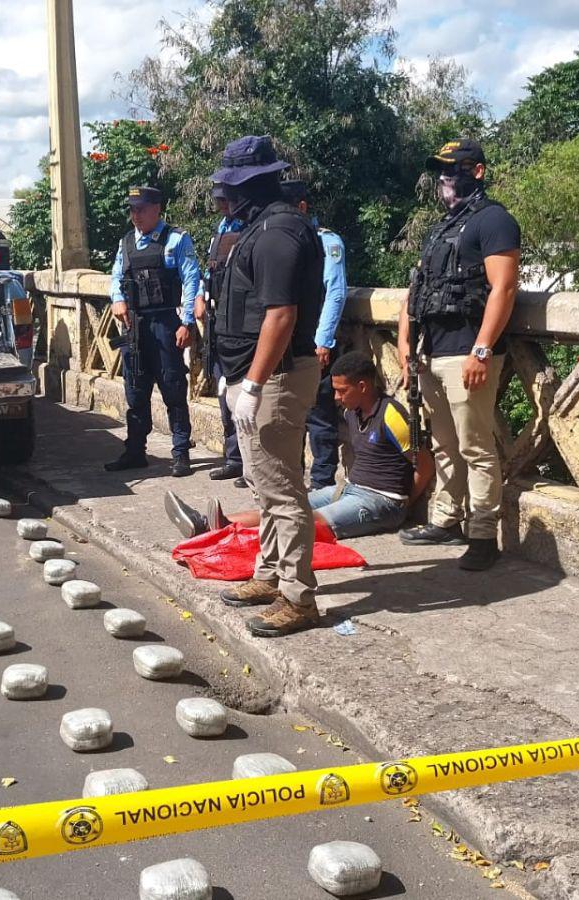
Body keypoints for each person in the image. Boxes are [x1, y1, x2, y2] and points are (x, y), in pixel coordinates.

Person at [212, 135, 324, 638]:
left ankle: (298, 597)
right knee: (263, 483)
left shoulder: (279, 231)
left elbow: (281, 315)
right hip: (257, 373)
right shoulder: (260, 226)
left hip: (277, 376)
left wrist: (253, 383)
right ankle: (270, 574)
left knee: (281, 489)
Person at [396, 138, 521, 572]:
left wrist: (481, 350)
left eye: (455, 169)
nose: (446, 178)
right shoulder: (443, 227)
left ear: (478, 172)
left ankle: (483, 534)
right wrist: (405, 340)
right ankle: (446, 518)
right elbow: (419, 287)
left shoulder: (495, 221)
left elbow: (503, 288)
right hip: (433, 353)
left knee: (476, 447)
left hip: (469, 352)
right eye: (442, 170)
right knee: (444, 444)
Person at [166, 351, 434, 542]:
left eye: (342, 391)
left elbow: (424, 462)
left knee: (304, 521)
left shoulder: (391, 414)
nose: (337, 398)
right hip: (350, 489)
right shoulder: (352, 412)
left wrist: (404, 504)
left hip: (380, 501)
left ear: (363, 386)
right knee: (285, 505)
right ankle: (208, 524)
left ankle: (224, 532)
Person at [105, 185, 202, 478]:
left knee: (173, 387)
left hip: (164, 324)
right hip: (135, 326)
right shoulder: (126, 243)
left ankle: (181, 452)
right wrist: (118, 300)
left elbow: (191, 280)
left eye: (141, 209)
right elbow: (115, 277)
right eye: (132, 210)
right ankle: (135, 451)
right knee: (135, 391)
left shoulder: (175, 240)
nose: (136, 215)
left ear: (157, 208)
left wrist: (186, 322)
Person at [280, 179, 348, 489]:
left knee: (320, 416)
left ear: (302, 208)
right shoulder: (282, 239)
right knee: (289, 417)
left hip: (313, 342)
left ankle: (322, 483)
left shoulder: (326, 242)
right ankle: (294, 479)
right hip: (286, 342)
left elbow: (335, 293)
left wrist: (323, 341)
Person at [194, 183, 246, 485]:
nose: (221, 205)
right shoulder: (221, 229)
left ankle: (247, 463)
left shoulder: (250, 227)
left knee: (243, 400)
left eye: (225, 199)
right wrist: (200, 296)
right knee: (224, 394)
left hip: (240, 325)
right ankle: (233, 458)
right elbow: (209, 271)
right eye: (218, 200)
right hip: (218, 323)